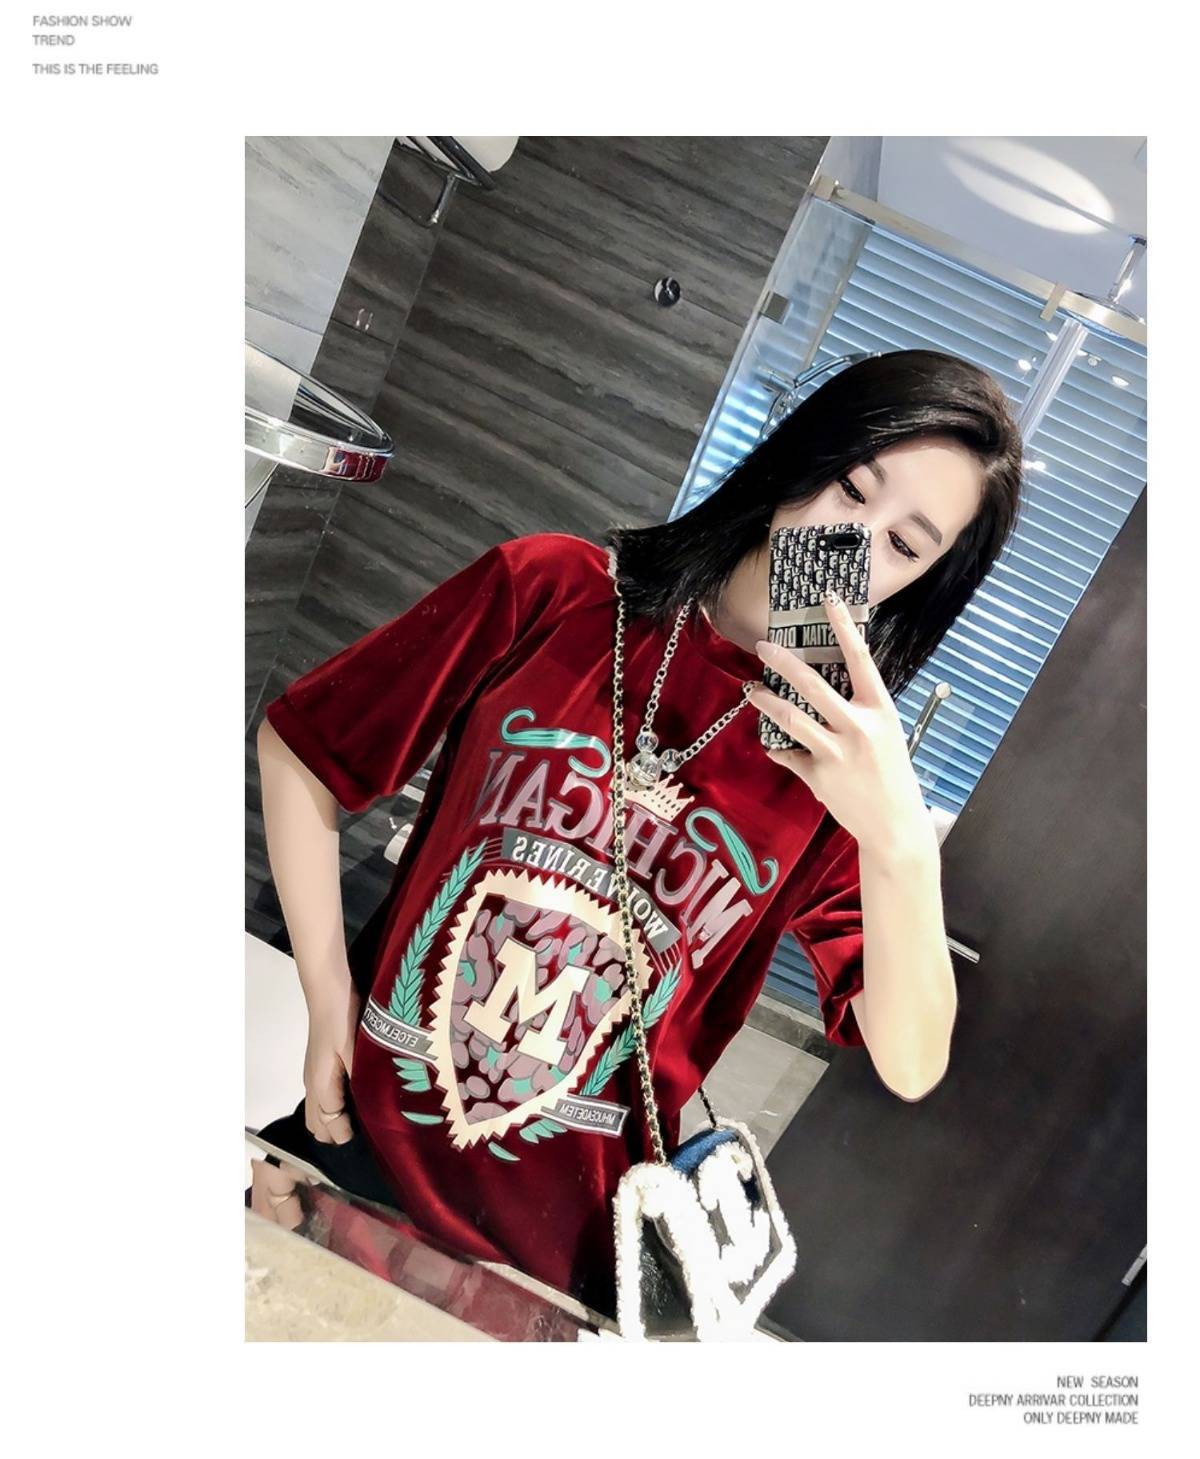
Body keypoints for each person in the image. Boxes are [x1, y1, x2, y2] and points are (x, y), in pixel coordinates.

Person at [249, 347, 1023, 1319]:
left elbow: (910, 1060)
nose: (854, 542)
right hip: (352, 1149)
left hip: (555, 1265)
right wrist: (327, 992)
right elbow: (307, 747)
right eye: (852, 487)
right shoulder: (554, 592)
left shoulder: (838, 777)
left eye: (904, 545)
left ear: (924, 582)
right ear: (800, 456)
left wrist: (900, 841)